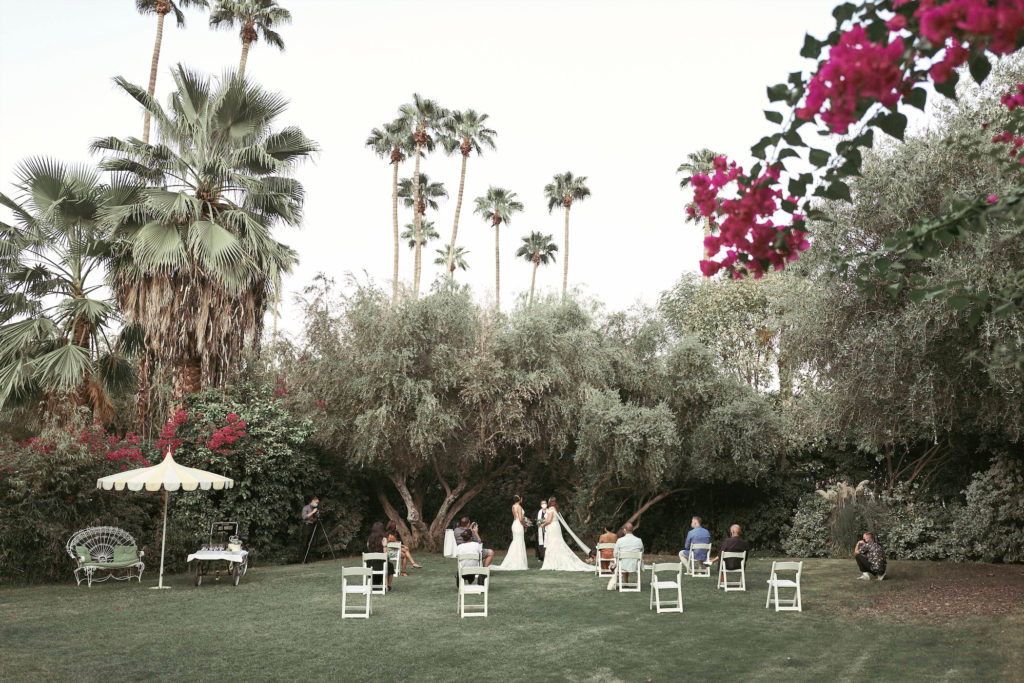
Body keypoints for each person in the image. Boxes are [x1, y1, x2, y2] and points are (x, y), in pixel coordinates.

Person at [539, 497, 593, 572]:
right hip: (556, 527)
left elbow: (549, 520)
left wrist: (543, 525)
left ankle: (554, 563)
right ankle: (557, 561)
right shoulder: (555, 508)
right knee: (557, 543)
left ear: (549, 502)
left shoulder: (551, 508)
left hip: (552, 527)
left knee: (553, 543)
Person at [494, 494, 529, 570]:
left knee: (516, 541)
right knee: (519, 542)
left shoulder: (513, 506)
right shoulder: (519, 507)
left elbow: (516, 517)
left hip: (514, 524)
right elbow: (520, 518)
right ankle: (518, 563)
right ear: (520, 499)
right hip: (518, 525)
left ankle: (515, 560)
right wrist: (525, 525)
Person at [608, 522, 644, 590]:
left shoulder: (620, 540)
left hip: (623, 565)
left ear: (624, 530)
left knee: (621, 561)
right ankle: (625, 581)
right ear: (633, 529)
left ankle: (615, 568)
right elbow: (642, 552)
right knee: (625, 561)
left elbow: (615, 554)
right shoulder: (639, 540)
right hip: (635, 565)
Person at [366, 522, 395, 591]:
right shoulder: (384, 539)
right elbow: (386, 556)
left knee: (382, 564)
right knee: (390, 566)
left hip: (370, 565)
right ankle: (388, 586)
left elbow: (368, 550)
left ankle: (374, 583)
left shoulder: (369, 540)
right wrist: (385, 546)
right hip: (381, 565)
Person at [298, 496, 319, 563]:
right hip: (306, 526)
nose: (317, 504)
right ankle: (301, 559)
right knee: (304, 543)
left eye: (318, 503)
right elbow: (304, 517)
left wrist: (317, 515)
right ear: (312, 501)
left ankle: (308, 559)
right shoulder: (306, 508)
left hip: (312, 526)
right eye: (316, 502)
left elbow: (315, 519)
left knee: (310, 543)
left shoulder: (315, 509)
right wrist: (313, 512)